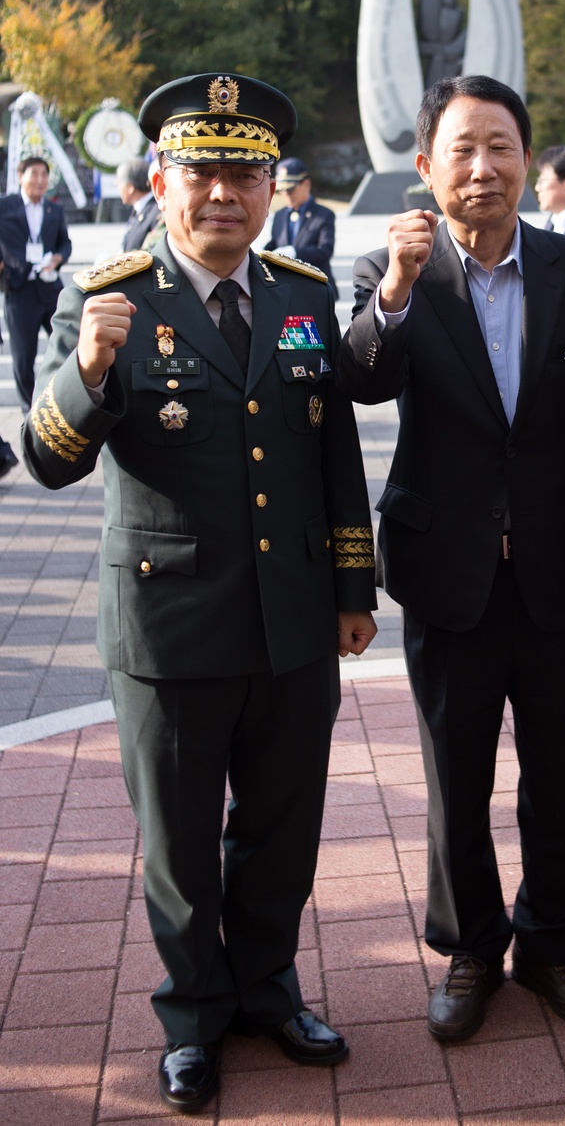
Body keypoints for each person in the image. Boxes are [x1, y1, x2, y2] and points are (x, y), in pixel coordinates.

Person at [22, 73, 378, 1115]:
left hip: (294, 618)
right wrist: (89, 371)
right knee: (180, 846)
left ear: (271, 187)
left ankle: (267, 989)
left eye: (245, 174)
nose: (224, 193)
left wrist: (352, 584)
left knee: (281, 825)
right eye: (204, 172)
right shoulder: (110, 298)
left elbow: (334, 459)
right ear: (160, 179)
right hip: (171, 627)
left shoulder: (303, 292)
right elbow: (45, 460)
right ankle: (193, 1017)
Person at [337, 75, 565, 1042]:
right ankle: (471, 949)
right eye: (462, 150)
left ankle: (554, 946)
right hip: (448, 566)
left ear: (527, 156)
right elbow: (361, 378)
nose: (484, 168)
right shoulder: (394, 271)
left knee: (560, 774)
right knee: (454, 772)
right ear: (425, 167)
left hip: (558, 569)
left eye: (502, 146)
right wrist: (390, 291)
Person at [0, 156, 72, 412]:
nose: (40, 180)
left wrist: (59, 257)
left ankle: (63, 404)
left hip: (50, 288)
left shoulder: (54, 209)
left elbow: (65, 243)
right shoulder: (5, 206)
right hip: (19, 291)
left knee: (67, 346)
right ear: (20, 176)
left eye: (44, 174)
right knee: (22, 358)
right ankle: (28, 412)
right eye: (35, 174)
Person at [265, 156, 338, 296]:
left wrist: (295, 252)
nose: (285, 194)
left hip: (315, 286)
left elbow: (325, 250)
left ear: (306, 184)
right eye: (282, 190)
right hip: (286, 286)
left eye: (290, 189)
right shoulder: (280, 214)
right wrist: (262, 252)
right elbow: (275, 242)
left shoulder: (323, 215)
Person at [117, 157, 163, 251]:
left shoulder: (158, 210)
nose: (118, 187)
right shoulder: (140, 209)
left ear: (130, 187)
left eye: (118, 183)